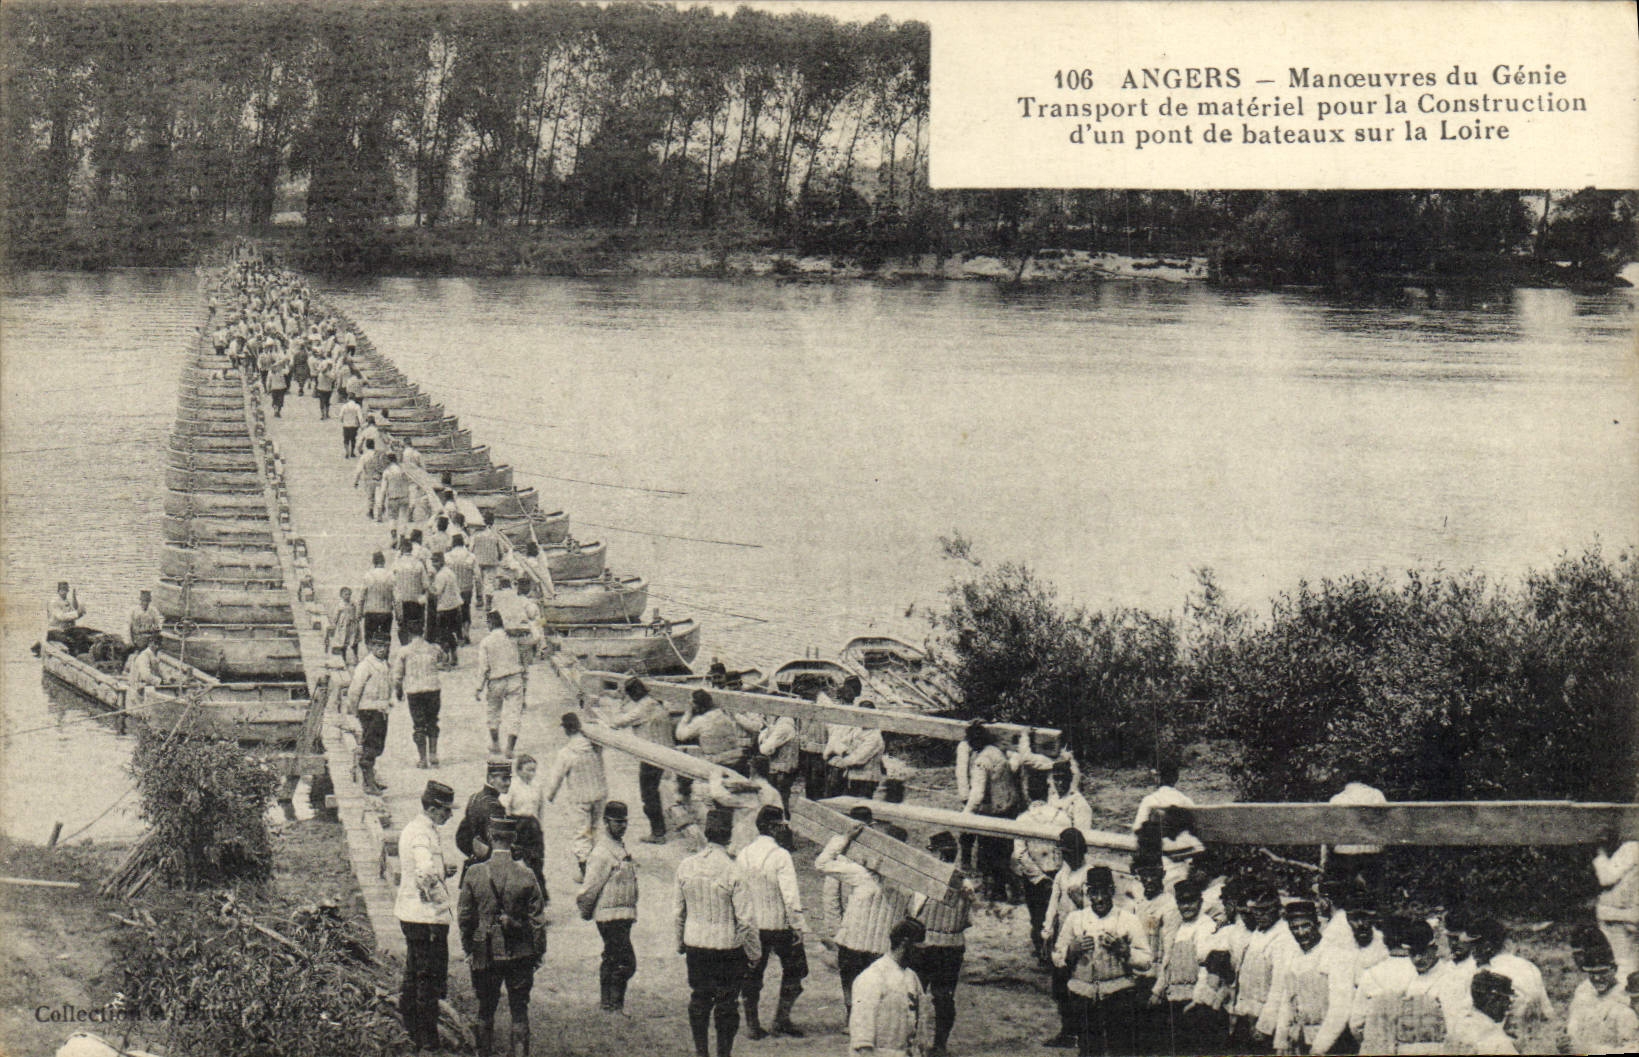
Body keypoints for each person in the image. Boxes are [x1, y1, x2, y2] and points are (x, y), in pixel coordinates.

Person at [675, 808, 761, 1057]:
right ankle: (723, 1054)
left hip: (695, 944)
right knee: (727, 1004)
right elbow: (746, 921)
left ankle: (702, 1052)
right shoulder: (734, 870)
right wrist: (754, 953)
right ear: (729, 835)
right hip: (727, 948)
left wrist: (680, 941)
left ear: (706, 832)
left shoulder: (686, 865)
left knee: (699, 999)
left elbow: (678, 911)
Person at [458, 816, 547, 1057]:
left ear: (490, 835)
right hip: (520, 952)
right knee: (519, 1010)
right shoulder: (527, 875)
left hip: (484, 952)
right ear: (514, 838)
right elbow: (538, 920)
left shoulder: (474, 873)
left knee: (485, 1009)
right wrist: (538, 952)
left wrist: (469, 949)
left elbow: (465, 917)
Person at [1051, 866, 1153, 1056]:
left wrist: (1124, 951)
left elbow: (1146, 961)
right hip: (1083, 994)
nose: (1098, 898)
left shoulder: (1128, 919)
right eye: (1093, 892)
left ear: (1112, 891)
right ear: (1087, 892)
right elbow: (1057, 956)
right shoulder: (1076, 919)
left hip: (1118, 995)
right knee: (1089, 1048)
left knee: (1120, 1048)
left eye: (1103, 892)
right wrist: (1072, 950)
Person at [816, 815, 910, 1020]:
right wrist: (844, 838)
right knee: (854, 988)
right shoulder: (862, 873)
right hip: (860, 944)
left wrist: (843, 839)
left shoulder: (899, 880)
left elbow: (823, 863)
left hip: (875, 946)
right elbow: (821, 865)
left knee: (871, 991)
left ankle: (862, 1025)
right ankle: (853, 1022)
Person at [737, 805, 809, 1040]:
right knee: (797, 970)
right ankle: (781, 1019)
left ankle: (752, 1024)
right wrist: (797, 925)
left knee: (753, 974)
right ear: (770, 827)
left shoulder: (743, 853)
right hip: (779, 925)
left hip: (753, 925)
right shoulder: (780, 856)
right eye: (780, 826)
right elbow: (790, 895)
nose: (783, 830)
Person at [397, 780, 457, 1054]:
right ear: (432, 808)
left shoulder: (418, 828)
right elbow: (424, 873)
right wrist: (436, 900)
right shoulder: (422, 835)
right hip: (425, 918)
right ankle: (428, 1042)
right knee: (428, 980)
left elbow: (428, 868)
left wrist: (443, 869)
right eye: (445, 810)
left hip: (412, 914)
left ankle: (410, 1033)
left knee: (414, 975)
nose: (449, 815)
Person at [1440, 911, 1554, 1052]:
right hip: (1530, 1043)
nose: (1472, 951)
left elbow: (1473, 1023)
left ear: (1487, 945)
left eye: (1474, 946)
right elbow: (1547, 1013)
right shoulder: (1529, 967)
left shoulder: (1487, 975)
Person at [910, 831, 976, 1057]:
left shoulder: (929, 880)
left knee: (916, 993)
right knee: (944, 997)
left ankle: (915, 1041)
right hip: (952, 946)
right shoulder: (967, 883)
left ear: (937, 853)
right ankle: (939, 1045)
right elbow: (968, 921)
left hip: (926, 945)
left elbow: (914, 912)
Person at [1348, 916, 1453, 1056]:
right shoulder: (1410, 977)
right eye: (1413, 953)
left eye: (1422, 952)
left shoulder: (1449, 977)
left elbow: (1454, 1030)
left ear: (1434, 948)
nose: (1418, 959)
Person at [1149, 875, 1229, 1057]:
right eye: (1182, 902)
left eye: (1191, 902)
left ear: (1199, 902)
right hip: (1175, 998)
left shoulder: (1205, 926)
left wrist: (1197, 1000)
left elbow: (1206, 966)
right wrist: (1157, 990)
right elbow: (1168, 963)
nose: (1186, 907)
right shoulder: (1178, 927)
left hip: (1194, 1001)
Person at [1267, 899, 1356, 1056]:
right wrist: (1281, 1041)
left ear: (1317, 924)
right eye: (1294, 928)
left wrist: (1319, 1047)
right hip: (1300, 1040)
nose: (1301, 933)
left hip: (1331, 1042)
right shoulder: (1292, 957)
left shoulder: (1335, 955)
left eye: (1305, 925)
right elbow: (1287, 1001)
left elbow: (1340, 1008)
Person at [578, 801, 640, 1014]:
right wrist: (586, 911)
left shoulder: (620, 847)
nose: (622, 826)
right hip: (609, 916)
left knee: (612, 957)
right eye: (617, 822)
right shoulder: (602, 852)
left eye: (625, 822)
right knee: (626, 962)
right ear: (605, 822)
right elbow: (589, 888)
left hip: (623, 914)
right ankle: (613, 1004)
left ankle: (610, 1004)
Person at [603, 678, 676, 843]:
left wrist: (620, 703)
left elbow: (617, 722)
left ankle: (658, 834)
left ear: (633, 694)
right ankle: (659, 830)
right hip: (664, 751)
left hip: (652, 756)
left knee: (648, 795)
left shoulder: (643, 708)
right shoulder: (653, 703)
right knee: (653, 793)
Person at [544, 711, 608, 882]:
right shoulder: (595, 745)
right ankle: (598, 867)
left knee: (582, 833)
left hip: (579, 798)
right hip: (600, 793)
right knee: (595, 829)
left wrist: (549, 795)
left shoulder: (567, 752)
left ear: (566, 730)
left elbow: (556, 777)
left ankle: (586, 872)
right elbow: (604, 726)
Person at [1014, 772, 1071, 963]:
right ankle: (1055, 949)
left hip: (1034, 877)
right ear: (1048, 791)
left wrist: (1038, 877)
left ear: (1029, 792)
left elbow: (1020, 853)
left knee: (1037, 915)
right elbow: (1068, 849)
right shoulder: (1062, 817)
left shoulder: (1023, 820)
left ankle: (1042, 951)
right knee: (1056, 913)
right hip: (1057, 871)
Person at [1042, 828, 1092, 1049]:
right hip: (1062, 935)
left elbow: (1095, 911)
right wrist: (1046, 931)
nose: (1067, 856)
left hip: (1082, 938)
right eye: (1064, 852)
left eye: (1071, 852)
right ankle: (1067, 1030)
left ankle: (1083, 1033)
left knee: (1080, 985)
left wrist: (1080, 900)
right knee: (1059, 985)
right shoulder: (1063, 873)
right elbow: (1053, 903)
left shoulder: (1089, 874)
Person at [849, 918, 926, 1057]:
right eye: (918, 948)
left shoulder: (912, 977)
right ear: (905, 943)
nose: (923, 954)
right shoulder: (872, 977)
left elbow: (920, 1028)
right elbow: (862, 1036)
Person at [963, 721, 1022, 902]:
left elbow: (978, 794)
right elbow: (1013, 766)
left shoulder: (982, 761)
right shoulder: (996, 752)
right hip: (1009, 807)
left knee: (991, 855)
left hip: (994, 812)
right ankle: (1000, 891)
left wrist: (964, 816)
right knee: (1003, 853)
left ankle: (1009, 888)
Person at [1568, 926, 1639, 1054]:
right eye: (1591, 973)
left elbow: (1633, 1048)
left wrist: (1589, 1050)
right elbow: (1572, 1031)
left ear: (1614, 969)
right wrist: (1566, 1042)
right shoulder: (1583, 992)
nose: (1597, 978)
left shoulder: (1628, 996)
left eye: (1602, 972)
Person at [476, 611, 525, 759]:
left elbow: (483, 667)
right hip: (515, 678)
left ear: (490, 624)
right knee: (515, 713)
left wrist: (479, 687)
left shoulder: (486, 642)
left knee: (493, 713)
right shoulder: (512, 638)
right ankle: (510, 747)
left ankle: (496, 743)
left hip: (496, 680)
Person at [347, 637, 393, 795]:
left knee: (378, 746)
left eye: (384, 645)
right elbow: (354, 691)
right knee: (370, 746)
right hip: (368, 710)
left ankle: (371, 779)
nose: (381, 649)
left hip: (381, 710)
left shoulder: (384, 664)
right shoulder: (365, 666)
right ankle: (368, 784)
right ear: (370, 646)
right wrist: (354, 712)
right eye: (378, 645)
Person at [676, 690, 761, 775]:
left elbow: (680, 736)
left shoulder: (702, 721)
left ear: (697, 707)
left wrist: (687, 714)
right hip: (736, 759)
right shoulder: (724, 715)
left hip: (718, 763)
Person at [1327, 776, 1388, 893]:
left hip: (1343, 853)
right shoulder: (1377, 795)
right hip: (1373, 851)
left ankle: (1350, 901)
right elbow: (1384, 826)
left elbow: (1331, 831)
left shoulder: (1336, 799)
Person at [393, 628, 443, 769]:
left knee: (419, 725)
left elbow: (397, 676)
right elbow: (442, 659)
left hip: (414, 691)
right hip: (433, 689)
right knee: (433, 721)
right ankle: (433, 755)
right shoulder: (433, 648)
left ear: (409, 634)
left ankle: (422, 759)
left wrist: (398, 691)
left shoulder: (404, 651)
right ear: (423, 632)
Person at [457, 758, 514, 868]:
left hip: (474, 864)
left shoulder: (474, 797)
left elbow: (461, 837)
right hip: (489, 866)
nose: (508, 783)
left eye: (509, 779)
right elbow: (498, 842)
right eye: (504, 779)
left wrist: (473, 853)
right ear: (490, 778)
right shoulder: (495, 806)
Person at [1448, 970, 1519, 1055]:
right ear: (1492, 998)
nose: (1509, 1004)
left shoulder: (1457, 1027)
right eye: (1506, 999)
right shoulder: (1495, 1038)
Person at [1594, 840, 1639, 972]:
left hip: (1619, 917)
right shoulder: (1633, 849)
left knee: (1624, 967)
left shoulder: (1632, 848)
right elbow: (1606, 877)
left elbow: (1605, 877)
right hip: (1619, 916)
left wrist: (1600, 853)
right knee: (1623, 966)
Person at [391, 538, 430, 647]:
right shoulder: (419, 564)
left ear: (401, 549)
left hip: (401, 600)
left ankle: (405, 646)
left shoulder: (396, 564)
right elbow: (426, 584)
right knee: (416, 625)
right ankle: (414, 645)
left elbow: (391, 582)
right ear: (411, 549)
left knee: (402, 625)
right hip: (415, 600)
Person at [756, 710, 800, 810]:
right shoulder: (783, 724)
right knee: (780, 799)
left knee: (777, 800)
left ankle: (781, 820)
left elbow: (765, 749)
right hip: (784, 768)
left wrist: (764, 738)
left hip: (780, 770)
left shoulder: (783, 726)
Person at [430, 552, 463, 668]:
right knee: (450, 632)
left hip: (444, 607)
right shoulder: (450, 572)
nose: (434, 564)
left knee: (443, 634)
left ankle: (445, 659)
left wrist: (429, 585)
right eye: (432, 561)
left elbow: (436, 591)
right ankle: (454, 655)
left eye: (435, 561)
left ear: (441, 561)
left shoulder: (440, 576)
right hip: (455, 605)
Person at [445, 533, 478, 643]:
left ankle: (458, 635)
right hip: (466, 587)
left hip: (452, 589)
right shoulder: (471, 556)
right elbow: (477, 575)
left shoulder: (447, 556)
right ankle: (466, 633)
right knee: (466, 609)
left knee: (454, 611)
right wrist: (479, 593)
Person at [360, 551, 396, 644]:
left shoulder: (368, 575)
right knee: (385, 638)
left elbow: (362, 596)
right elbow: (396, 597)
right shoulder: (390, 575)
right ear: (384, 561)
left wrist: (359, 612)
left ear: (373, 562)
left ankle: (371, 655)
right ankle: (384, 656)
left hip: (371, 612)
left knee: (369, 638)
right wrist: (399, 613)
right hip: (386, 612)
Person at [471, 515, 504, 611]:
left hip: (479, 560)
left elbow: (471, 548)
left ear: (483, 522)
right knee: (489, 582)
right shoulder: (495, 535)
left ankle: (479, 600)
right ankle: (488, 603)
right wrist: (499, 558)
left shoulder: (476, 534)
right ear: (493, 522)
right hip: (491, 561)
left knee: (478, 580)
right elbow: (501, 550)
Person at [1050, 763, 1094, 836]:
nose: (1060, 783)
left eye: (1063, 778)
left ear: (1070, 779)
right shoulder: (1052, 798)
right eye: (1056, 778)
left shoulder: (1079, 803)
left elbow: (1082, 835)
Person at [326, 585, 361, 667]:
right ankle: (343, 658)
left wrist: (357, 619)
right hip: (344, 626)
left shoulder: (352, 604)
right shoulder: (340, 605)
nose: (348, 596)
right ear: (341, 595)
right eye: (346, 594)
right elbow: (336, 615)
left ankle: (356, 657)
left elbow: (357, 613)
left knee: (354, 642)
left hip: (352, 625)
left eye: (349, 594)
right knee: (343, 642)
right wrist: (334, 624)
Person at [354, 440, 388, 518]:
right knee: (379, 495)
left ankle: (370, 511)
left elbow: (359, 470)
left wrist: (356, 481)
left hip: (368, 478)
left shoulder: (364, 457)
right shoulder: (379, 455)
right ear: (374, 445)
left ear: (366, 446)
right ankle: (380, 511)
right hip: (379, 477)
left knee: (370, 496)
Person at [380, 453, 412, 534]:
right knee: (403, 518)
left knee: (392, 518)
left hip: (392, 498)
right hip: (404, 497)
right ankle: (402, 537)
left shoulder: (387, 472)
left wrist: (381, 503)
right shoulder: (403, 470)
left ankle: (394, 536)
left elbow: (383, 490)